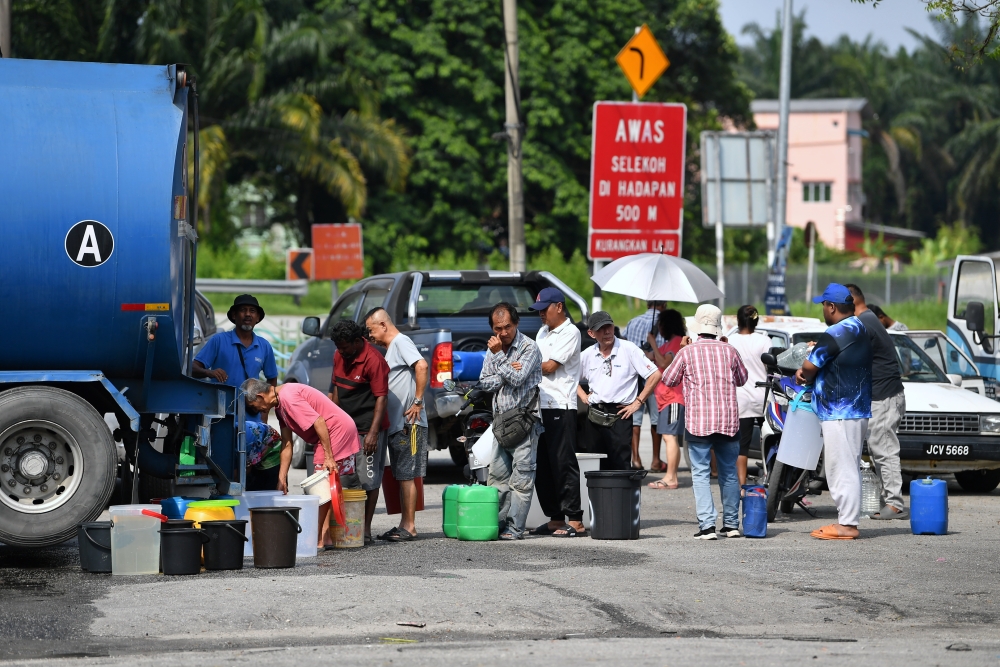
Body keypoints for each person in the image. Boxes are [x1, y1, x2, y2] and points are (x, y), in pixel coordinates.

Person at [241, 379, 361, 550]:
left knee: (320, 486)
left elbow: (319, 421)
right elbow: (287, 444)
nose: (257, 411)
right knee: (325, 486)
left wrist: (328, 456)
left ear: (260, 396)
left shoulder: (288, 398)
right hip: (332, 431)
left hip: (335, 430)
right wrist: (281, 479)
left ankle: (317, 538)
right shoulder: (280, 405)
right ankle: (324, 537)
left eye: (254, 406)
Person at [662, 304, 748, 540]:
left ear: (697, 327)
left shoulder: (687, 352)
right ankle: (731, 525)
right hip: (728, 421)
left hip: (699, 423)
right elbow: (742, 379)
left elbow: (668, 379)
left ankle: (707, 526)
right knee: (729, 473)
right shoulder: (729, 350)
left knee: (700, 473)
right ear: (718, 327)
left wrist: (681, 350)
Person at [795, 284, 873, 541]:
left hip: (839, 410)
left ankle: (847, 525)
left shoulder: (835, 332)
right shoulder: (859, 327)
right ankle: (846, 520)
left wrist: (803, 374)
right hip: (856, 407)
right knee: (847, 464)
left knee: (841, 467)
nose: (823, 310)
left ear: (832, 307)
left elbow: (808, 366)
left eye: (823, 306)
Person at [193, 294, 281, 491]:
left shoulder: (264, 346)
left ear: (258, 317)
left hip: (252, 419)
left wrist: (265, 414)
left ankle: (250, 504)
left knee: (252, 467)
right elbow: (193, 368)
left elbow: (272, 380)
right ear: (234, 316)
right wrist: (210, 372)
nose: (247, 315)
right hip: (222, 417)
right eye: (243, 310)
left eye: (252, 311)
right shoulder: (219, 341)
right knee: (225, 464)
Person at [363, 307, 429, 541]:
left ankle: (409, 526)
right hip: (398, 424)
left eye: (371, 330)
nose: (370, 335)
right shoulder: (390, 349)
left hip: (408, 422)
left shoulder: (401, 341)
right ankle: (403, 523)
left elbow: (421, 366)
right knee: (401, 474)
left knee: (407, 474)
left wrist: (418, 402)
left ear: (383, 325)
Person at [479, 302, 544, 541]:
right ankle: (496, 525)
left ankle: (515, 528)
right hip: (500, 423)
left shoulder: (529, 348)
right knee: (497, 479)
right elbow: (484, 382)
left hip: (524, 422)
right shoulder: (494, 348)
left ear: (516, 323)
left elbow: (517, 379)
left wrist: (500, 361)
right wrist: (505, 368)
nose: (503, 333)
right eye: (498, 328)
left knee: (522, 480)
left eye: (507, 327)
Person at [845, 284, 908, 520]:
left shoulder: (864, 322)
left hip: (884, 396)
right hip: (885, 395)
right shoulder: (869, 318)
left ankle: (894, 504)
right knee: (880, 448)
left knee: (885, 451)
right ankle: (890, 500)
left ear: (850, 300)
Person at [527, 288, 585, 538]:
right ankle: (554, 518)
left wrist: (523, 366)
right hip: (539, 406)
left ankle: (575, 519)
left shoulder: (570, 332)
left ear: (559, 307)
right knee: (543, 466)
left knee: (564, 464)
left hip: (560, 405)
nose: (541, 314)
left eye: (544, 309)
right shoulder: (542, 332)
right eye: (538, 310)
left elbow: (549, 367)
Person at [329, 320, 390, 545]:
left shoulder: (374, 360)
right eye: (338, 347)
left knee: (368, 479)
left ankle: (365, 529)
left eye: (344, 346)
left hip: (368, 426)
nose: (341, 351)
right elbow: (335, 387)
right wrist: (332, 421)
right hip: (345, 426)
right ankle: (345, 525)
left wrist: (373, 433)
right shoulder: (339, 355)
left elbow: (382, 398)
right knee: (344, 477)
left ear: (357, 342)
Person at [578, 311, 662, 471]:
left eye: (609, 326)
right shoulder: (588, 354)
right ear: (591, 333)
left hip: (621, 414)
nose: (607, 331)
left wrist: (638, 402)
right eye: (601, 329)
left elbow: (655, 374)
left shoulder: (628, 348)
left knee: (620, 466)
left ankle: (619, 496)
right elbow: (570, 376)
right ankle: (596, 497)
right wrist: (583, 396)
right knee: (594, 467)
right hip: (595, 416)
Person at [726, 305, 771, 487]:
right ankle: (769, 480)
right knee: (769, 441)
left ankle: (741, 487)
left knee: (742, 445)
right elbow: (771, 368)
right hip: (763, 396)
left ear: (738, 320)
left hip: (741, 397)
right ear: (756, 320)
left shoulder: (730, 341)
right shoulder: (764, 340)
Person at [647, 309, 688, 490]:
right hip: (665, 399)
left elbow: (664, 363)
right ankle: (671, 476)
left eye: (660, 324)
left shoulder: (677, 342)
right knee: (667, 437)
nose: (659, 328)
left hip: (673, 398)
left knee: (670, 437)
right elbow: (651, 359)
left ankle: (671, 477)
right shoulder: (668, 344)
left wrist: (653, 343)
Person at [623, 301, 666, 470]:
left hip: (634, 376)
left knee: (635, 418)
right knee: (656, 419)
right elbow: (663, 351)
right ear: (664, 304)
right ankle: (656, 460)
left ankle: (636, 459)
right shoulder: (661, 324)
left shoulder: (633, 321)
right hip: (654, 376)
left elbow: (624, 342)